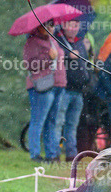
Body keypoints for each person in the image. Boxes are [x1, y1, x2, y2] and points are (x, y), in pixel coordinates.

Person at [23, 23, 65, 162]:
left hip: (57, 85)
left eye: (52, 25)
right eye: (47, 25)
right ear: (38, 26)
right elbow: (30, 64)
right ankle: (35, 154)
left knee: (51, 121)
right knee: (38, 121)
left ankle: (51, 154)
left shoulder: (54, 40)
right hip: (41, 86)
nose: (51, 28)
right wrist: (48, 58)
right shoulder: (32, 41)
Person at [53, 19, 89, 161]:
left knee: (72, 125)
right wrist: (68, 56)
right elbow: (55, 60)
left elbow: (85, 63)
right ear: (63, 25)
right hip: (64, 90)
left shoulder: (80, 43)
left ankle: (71, 154)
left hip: (79, 91)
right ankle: (55, 153)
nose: (73, 28)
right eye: (70, 24)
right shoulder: (58, 40)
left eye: (76, 24)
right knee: (58, 122)